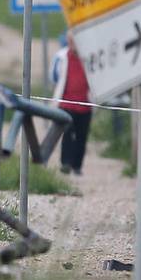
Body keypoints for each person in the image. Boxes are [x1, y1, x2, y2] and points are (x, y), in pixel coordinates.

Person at [51, 34, 92, 176]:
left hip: (85, 103)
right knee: (67, 133)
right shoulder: (62, 57)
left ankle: (77, 165)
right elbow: (55, 76)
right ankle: (66, 163)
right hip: (66, 103)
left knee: (82, 136)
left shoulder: (89, 56)